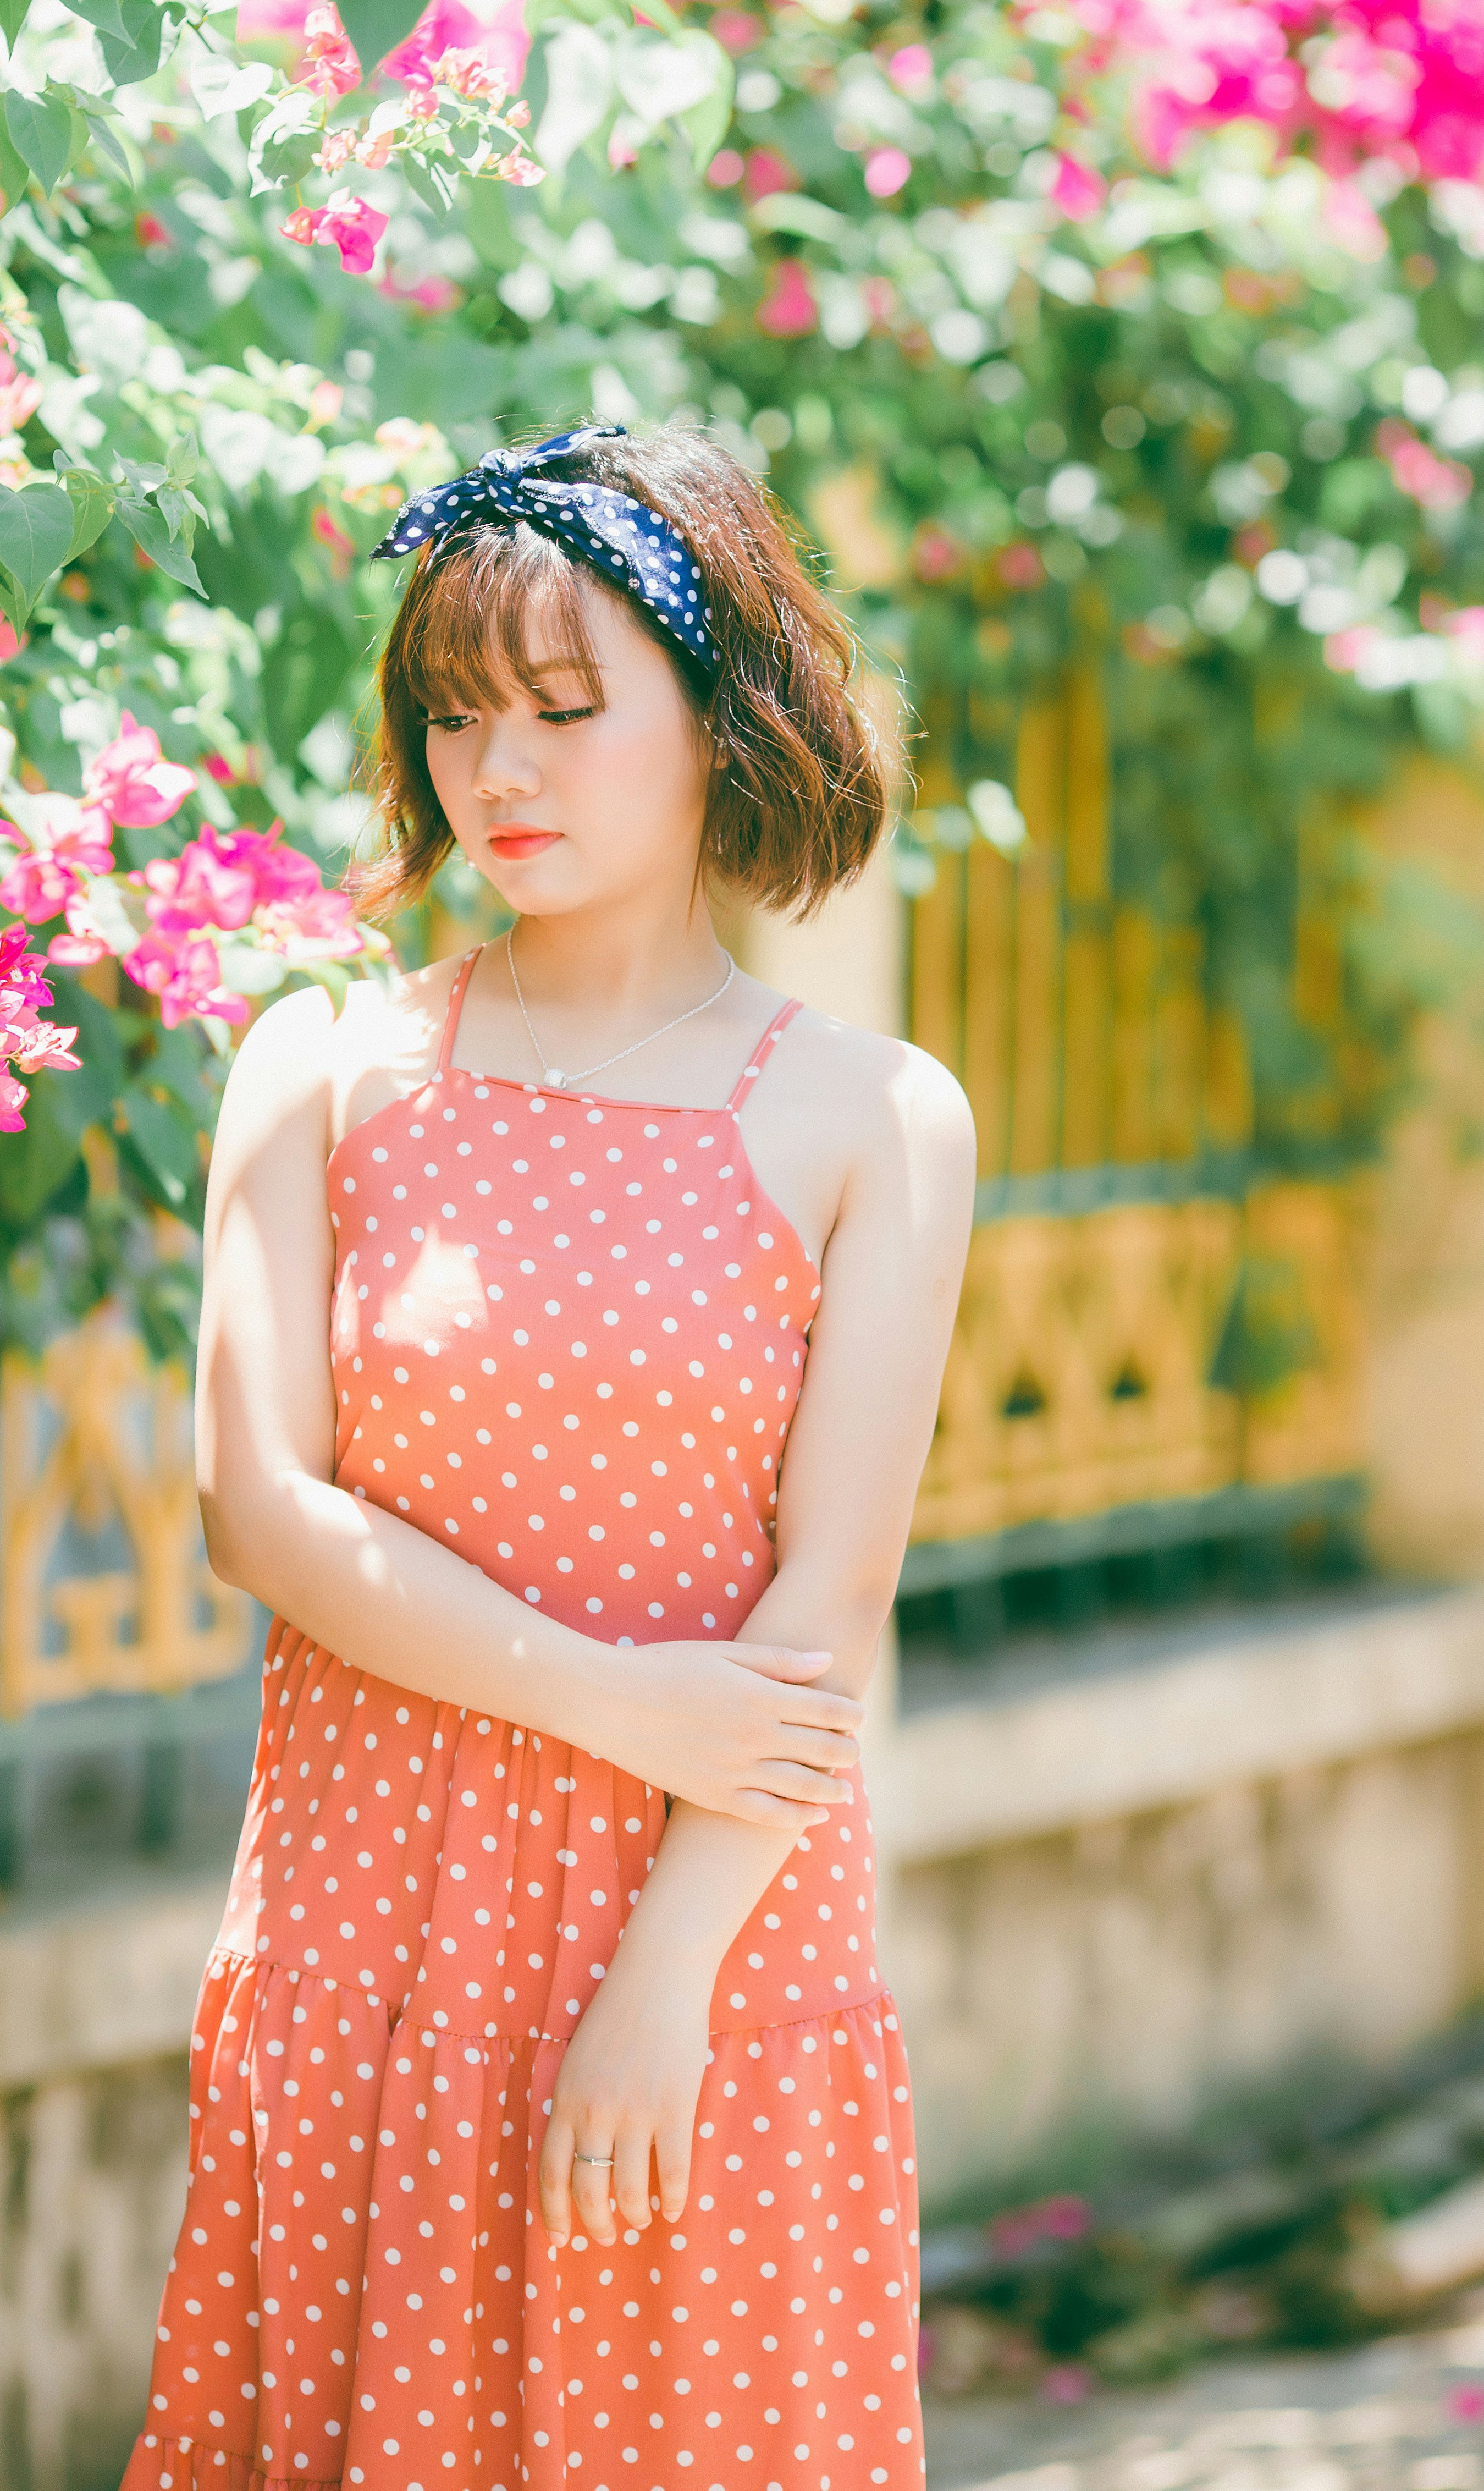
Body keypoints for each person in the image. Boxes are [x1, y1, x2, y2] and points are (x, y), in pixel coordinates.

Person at [120, 420, 975, 2491]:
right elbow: (261, 1511)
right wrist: (616, 1696)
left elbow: (827, 1606)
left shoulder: (871, 1115)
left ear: (724, 715)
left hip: (711, 1930)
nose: (495, 769)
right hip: (367, 1922)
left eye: (566, 710)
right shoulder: (326, 1065)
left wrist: (666, 1977)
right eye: (452, 712)